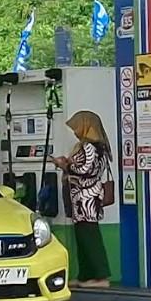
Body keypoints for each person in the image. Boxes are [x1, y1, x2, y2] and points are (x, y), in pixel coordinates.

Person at [54, 111, 111, 289]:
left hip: (85, 197)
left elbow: (85, 169)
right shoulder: (100, 147)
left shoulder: (88, 147)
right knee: (84, 236)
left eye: (77, 126)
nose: (75, 131)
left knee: (89, 236)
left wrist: (65, 165)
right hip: (88, 197)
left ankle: (101, 276)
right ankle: (86, 276)